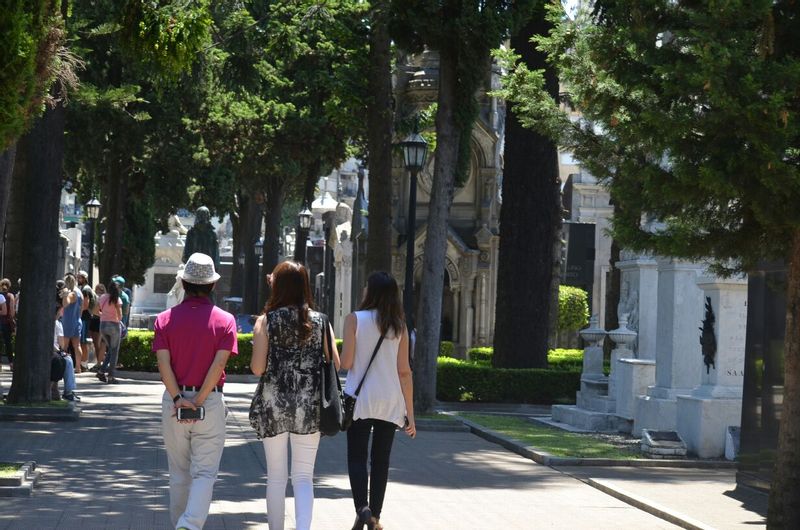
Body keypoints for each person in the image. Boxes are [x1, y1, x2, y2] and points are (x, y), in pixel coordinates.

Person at [250, 261, 339, 530]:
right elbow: (334, 361)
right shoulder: (320, 321)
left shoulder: (267, 321)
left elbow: (257, 368)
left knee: (276, 477)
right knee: (303, 476)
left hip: (273, 406)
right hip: (309, 406)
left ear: (276, 286)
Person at [153, 252, 237, 530]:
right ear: (212, 285)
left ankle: (180, 522)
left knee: (178, 473)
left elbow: (163, 363)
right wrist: (198, 400)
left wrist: (179, 399)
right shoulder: (225, 321)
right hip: (210, 403)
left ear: (184, 283)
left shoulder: (164, 320)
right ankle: (189, 524)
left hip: (174, 403)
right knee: (204, 473)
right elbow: (220, 363)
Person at [341, 271, 416, 530]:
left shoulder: (354, 320)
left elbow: (347, 363)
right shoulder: (400, 326)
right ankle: (375, 517)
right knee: (381, 460)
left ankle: (362, 508)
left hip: (360, 399)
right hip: (390, 400)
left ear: (370, 292)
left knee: (357, 457)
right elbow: (404, 371)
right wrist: (411, 415)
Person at [96, 281, 122, 384]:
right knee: (114, 351)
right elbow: (120, 315)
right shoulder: (116, 298)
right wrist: (118, 321)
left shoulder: (102, 297)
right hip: (114, 325)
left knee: (111, 350)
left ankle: (101, 371)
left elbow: (95, 310)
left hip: (103, 325)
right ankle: (111, 376)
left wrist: (103, 315)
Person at [52, 303, 79, 401]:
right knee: (68, 360)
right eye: (60, 311)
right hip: (53, 353)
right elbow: (62, 344)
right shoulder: (57, 324)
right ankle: (68, 392)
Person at [60, 273, 84, 374]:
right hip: (77, 320)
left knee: (64, 346)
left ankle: (64, 367)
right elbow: (82, 308)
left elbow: (65, 304)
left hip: (68, 321)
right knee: (77, 345)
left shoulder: (72, 293)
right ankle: (78, 367)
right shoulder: (79, 292)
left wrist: (65, 295)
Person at [77, 271, 95, 371]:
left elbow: (85, 305)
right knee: (82, 341)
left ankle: (84, 364)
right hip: (85, 318)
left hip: (84, 318)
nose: (77, 279)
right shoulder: (85, 288)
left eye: (79, 277)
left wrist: (78, 313)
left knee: (83, 342)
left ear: (84, 278)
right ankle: (84, 363)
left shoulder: (85, 290)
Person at [89, 283, 105, 372]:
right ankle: (99, 361)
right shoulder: (99, 298)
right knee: (96, 344)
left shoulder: (102, 299)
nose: (98, 291)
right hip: (94, 320)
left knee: (97, 343)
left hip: (98, 321)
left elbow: (97, 311)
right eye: (96, 289)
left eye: (100, 290)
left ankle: (100, 362)